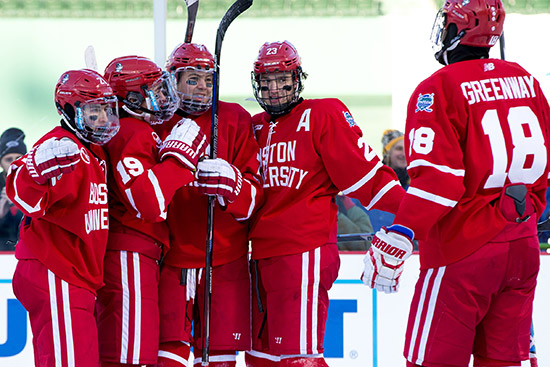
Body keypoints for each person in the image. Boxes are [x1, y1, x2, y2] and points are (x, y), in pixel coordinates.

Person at [362, 1, 550, 366]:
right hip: (522, 245)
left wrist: (403, 230)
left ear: (455, 31)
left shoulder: (438, 88)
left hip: (463, 251)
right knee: (504, 361)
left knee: (432, 361)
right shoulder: (527, 81)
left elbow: (438, 181)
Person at [247, 40, 406, 367]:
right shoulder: (255, 127)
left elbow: (368, 176)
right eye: (266, 82)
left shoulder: (322, 114)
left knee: (299, 359)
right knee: (261, 358)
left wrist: (418, 215)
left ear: (297, 79)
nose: (274, 89)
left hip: (303, 252)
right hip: (260, 256)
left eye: (282, 80)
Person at [154, 42, 262, 367]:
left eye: (208, 80)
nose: (202, 87)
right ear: (173, 80)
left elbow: (253, 198)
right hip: (170, 258)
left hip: (225, 257)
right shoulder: (157, 120)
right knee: (167, 351)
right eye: (193, 79)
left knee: (220, 355)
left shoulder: (235, 118)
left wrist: (234, 185)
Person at [96, 55, 208, 367]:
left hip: (137, 251)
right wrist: (179, 160)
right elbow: (147, 203)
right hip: (129, 250)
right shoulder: (131, 132)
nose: (163, 97)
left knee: (132, 351)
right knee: (127, 356)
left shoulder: (133, 129)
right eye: (155, 90)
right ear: (131, 98)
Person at [5, 69, 120, 366]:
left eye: (108, 110)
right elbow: (19, 186)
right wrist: (34, 170)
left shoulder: (94, 150)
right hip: (56, 270)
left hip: (74, 277)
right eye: (95, 112)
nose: (105, 120)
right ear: (69, 110)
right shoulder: (58, 146)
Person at [0, 127, 27, 251]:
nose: (13, 164)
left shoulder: (37, 183)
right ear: (1, 162)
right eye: (8, 159)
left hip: (27, 251)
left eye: (18, 158)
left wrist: (21, 204)